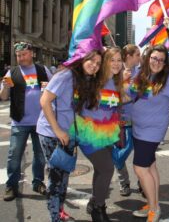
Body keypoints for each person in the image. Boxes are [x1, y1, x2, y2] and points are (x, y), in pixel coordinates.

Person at [37, 36, 102, 222]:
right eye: (91, 60)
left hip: (68, 135)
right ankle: (55, 217)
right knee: (56, 180)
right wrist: (58, 131)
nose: (94, 65)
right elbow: (45, 101)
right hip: (52, 133)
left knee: (63, 176)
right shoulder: (65, 75)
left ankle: (59, 211)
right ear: (82, 58)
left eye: (98, 63)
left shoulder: (85, 80)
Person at [129, 45, 169, 222]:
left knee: (140, 168)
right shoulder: (141, 73)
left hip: (153, 130)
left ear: (165, 63)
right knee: (150, 166)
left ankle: (154, 208)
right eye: (154, 58)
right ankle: (154, 202)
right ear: (147, 58)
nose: (157, 62)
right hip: (137, 127)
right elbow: (131, 94)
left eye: (161, 59)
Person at [72, 47, 123, 222]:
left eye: (119, 60)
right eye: (112, 60)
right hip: (89, 133)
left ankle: (94, 201)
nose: (116, 64)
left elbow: (115, 109)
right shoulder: (92, 81)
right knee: (107, 168)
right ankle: (99, 209)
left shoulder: (117, 82)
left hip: (107, 133)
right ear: (105, 63)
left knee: (100, 170)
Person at [0, 41, 52, 201]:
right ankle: (11, 186)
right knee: (14, 155)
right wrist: (5, 87)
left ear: (31, 54)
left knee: (40, 156)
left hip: (40, 122)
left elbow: (50, 92)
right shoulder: (11, 73)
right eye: (18, 55)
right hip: (19, 122)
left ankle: (38, 182)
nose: (21, 58)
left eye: (23, 54)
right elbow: (3, 97)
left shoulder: (43, 70)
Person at [114, 44, 141, 197]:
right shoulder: (117, 71)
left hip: (137, 118)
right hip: (120, 120)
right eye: (137, 55)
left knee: (139, 152)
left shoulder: (140, 72)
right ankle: (123, 182)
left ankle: (142, 181)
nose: (140, 58)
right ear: (129, 56)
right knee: (119, 152)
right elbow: (109, 94)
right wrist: (121, 81)